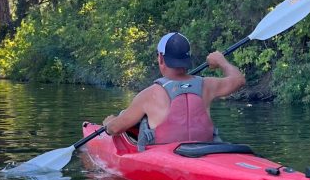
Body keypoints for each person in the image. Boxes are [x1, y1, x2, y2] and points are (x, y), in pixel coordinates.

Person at [101, 32, 245, 150]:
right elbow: (238, 80)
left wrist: (109, 123)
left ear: (161, 59)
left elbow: (115, 129)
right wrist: (221, 61)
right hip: (205, 152)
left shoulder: (150, 94)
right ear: (188, 58)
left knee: (131, 119)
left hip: (165, 159)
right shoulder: (207, 85)